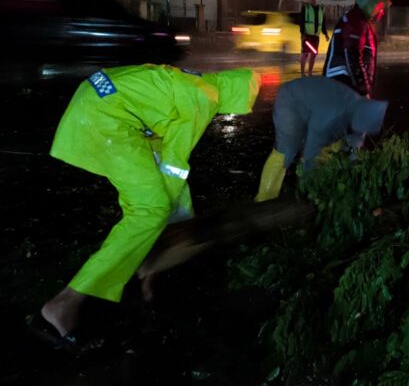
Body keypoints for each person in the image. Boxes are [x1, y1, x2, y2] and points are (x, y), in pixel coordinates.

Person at [34, 65, 260, 349]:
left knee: (146, 209)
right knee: (150, 211)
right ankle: (64, 303)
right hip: (104, 119)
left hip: (99, 106)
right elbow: (174, 165)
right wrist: (177, 225)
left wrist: (175, 220)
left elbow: (159, 154)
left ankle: (139, 262)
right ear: (237, 95)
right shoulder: (205, 97)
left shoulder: (193, 84)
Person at [255, 76, 388, 202]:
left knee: (330, 150)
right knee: (286, 150)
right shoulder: (332, 113)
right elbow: (312, 150)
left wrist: (352, 176)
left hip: (314, 105)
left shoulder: (364, 113)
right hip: (291, 100)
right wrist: (308, 188)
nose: (360, 131)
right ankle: (265, 198)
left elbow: (354, 148)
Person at [323, 0, 391, 98]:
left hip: (345, 88)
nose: (382, 13)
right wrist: (364, 92)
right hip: (342, 87)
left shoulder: (359, 21)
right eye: (381, 8)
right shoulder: (355, 21)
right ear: (371, 5)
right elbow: (352, 56)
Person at [299, 0, 329, 76]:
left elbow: (322, 23)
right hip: (307, 35)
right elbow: (301, 21)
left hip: (316, 36)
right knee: (305, 54)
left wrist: (325, 33)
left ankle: (310, 72)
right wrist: (302, 33)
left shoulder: (321, 9)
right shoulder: (306, 8)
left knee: (314, 54)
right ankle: (302, 73)